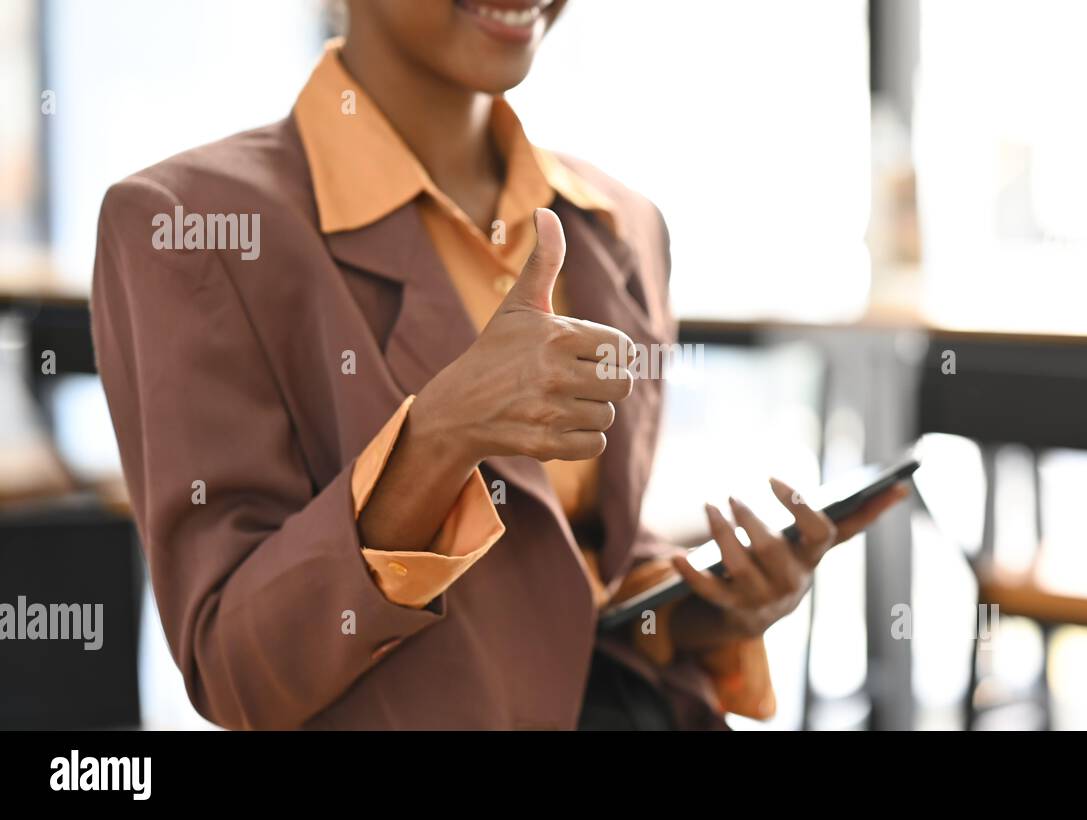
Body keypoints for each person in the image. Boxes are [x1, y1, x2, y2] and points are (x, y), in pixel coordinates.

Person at [91, 0, 906, 730]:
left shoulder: (617, 225)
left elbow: (577, 578)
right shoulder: (186, 225)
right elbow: (239, 674)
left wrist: (706, 612)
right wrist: (437, 438)